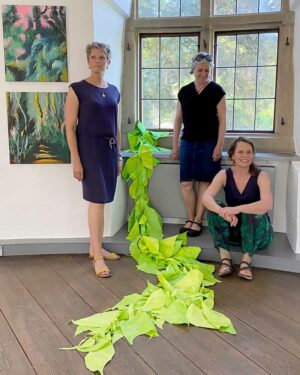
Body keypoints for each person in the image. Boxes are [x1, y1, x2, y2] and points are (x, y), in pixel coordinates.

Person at [65, 42, 122, 278]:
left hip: (109, 151)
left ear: (108, 62)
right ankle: (98, 257)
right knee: (96, 201)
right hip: (89, 151)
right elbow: (69, 127)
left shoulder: (113, 91)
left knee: (103, 201)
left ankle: (94, 247)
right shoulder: (77, 89)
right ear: (88, 61)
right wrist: (76, 160)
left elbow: (115, 126)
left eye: (102, 58)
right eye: (94, 57)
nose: (98, 61)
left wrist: (118, 155)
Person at [202, 137, 274, 280]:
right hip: (234, 233)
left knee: (252, 210)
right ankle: (225, 259)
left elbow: (267, 205)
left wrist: (237, 209)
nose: (245, 155)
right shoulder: (224, 174)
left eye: (249, 152)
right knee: (214, 207)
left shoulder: (261, 175)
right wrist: (223, 212)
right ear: (232, 155)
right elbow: (206, 197)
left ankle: (246, 262)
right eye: (240, 152)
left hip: (258, 235)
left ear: (253, 155)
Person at [171, 51, 226, 237]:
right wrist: (175, 146)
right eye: (200, 70)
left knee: (204, 182)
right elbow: (178, 120)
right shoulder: (184, 92)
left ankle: (198, 220)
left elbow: (223, 122)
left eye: (207, 70)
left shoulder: (217, 91)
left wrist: (219, 146)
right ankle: (190, 217)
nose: (203, 74)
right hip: (187, 142)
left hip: (209, 143)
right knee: (186, 183)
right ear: (193, 70)